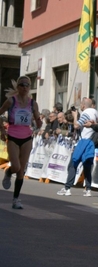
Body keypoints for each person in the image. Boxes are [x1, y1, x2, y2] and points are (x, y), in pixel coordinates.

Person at [0, 76, 42, 209]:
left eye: (27, 85)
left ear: (29, 88)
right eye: (22, 85)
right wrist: (2, 130)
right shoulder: (11, 101)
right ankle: (8, 172)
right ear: (18, 87)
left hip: (26, 137)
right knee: (16, 167)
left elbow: (38, 121)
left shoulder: (32, 103)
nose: (24, 87)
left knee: (21, 171)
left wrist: (38, 120)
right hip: (12, 135)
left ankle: (16, 199)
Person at [57, 98, 98, 197]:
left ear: (84, 105)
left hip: (82, 141)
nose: (80, 106)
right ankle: (88, 189)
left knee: (73, 164)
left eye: (81, 104)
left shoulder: (85, 113)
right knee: (87, 166)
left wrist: (75, 116)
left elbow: (76, 125)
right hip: (90, 142)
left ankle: (67, 188)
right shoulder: (96, 113)